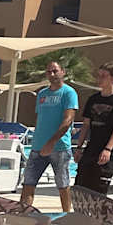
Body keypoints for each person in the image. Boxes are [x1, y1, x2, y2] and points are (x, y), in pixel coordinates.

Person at [20, 60, 77, 212]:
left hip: (59, 148)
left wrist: (51, 142)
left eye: (55, 71)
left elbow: (68, 120)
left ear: (63, 72)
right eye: (49, 71)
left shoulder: (69, 93)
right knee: (28, 183)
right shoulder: (42, 94)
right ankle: (23, 214)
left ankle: (67, 215)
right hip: (38, 146)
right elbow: (40, 118)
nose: (52, 74)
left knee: (63, 185)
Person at [74, 61, 113, 193]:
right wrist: (79, 147)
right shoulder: (93, 99)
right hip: (92, 146)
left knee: (99, 188)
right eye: (99, 75)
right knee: (81, 186)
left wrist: (108, 149)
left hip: (108, 147)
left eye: (104, 76)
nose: (100, 79)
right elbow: (86, 125)